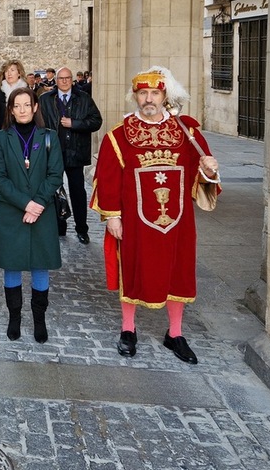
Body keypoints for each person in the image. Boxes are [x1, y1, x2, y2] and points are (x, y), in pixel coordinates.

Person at [91, 65, 220, 365]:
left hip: (178, 220)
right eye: (143, 93)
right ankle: (128, 329)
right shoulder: (118, 137)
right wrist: (112, 216)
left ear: (165, 96)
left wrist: (209, 172)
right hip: (135, 221)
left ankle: (175, 333)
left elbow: (199, 174)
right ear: (135, 97)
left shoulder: (186, 132)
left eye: (155, 93)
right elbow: (108, 179)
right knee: (133, 270)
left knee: (178, 271)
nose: (149, 99)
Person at [0, 88, 64, 343]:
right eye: (16, 105)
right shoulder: (1, 137)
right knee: (12, 265)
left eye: (26, 105)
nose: (22, 109)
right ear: (11, 109)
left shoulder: (49, 137)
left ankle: (39, 320)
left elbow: (55, 174)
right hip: (12, 211)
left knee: (40, 265)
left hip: (42, 212)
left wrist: (38, 204)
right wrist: (25, 204)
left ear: (34, 107)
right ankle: (15, 318)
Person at [38, 67, 103, 244]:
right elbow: (38, 123)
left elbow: (96, 121)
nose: (64, 81)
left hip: (76, 152)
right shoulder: (45, 99)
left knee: (77, 192)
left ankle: (82, 228)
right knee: (55, 191)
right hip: (53, 153)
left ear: (72, 79)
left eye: (68, 78)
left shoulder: (84, 98)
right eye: (61, 78)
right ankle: (59, 226)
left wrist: (75, 123)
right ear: (56, 80)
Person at [0, 60, 27, 138]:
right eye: (6, 71)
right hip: (4, 135)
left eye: (12, 70)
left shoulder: (27, 92)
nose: (9, 74)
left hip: (24, 136)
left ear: (19, 73)